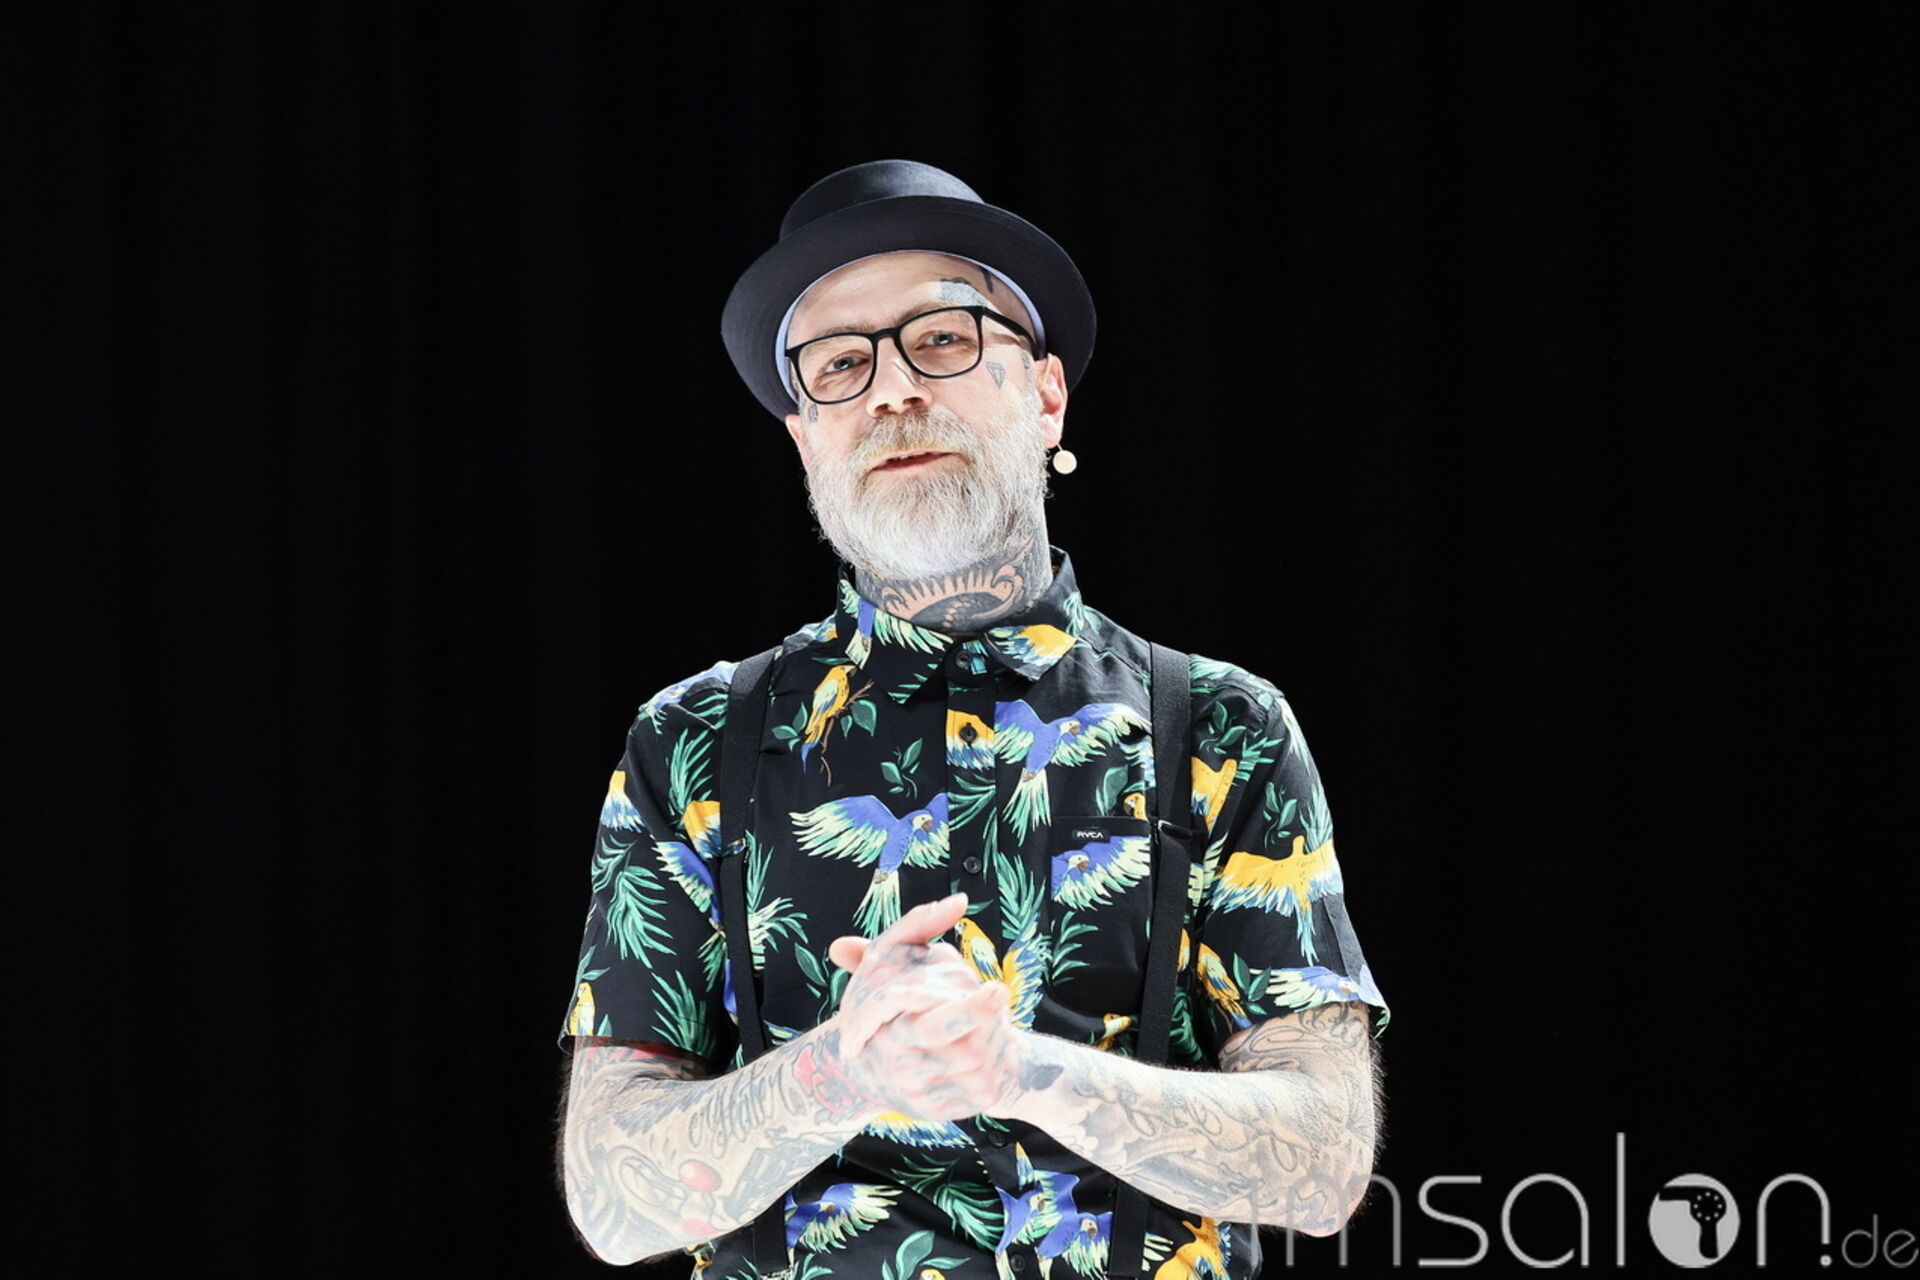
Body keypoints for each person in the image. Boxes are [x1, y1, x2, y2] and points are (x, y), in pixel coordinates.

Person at [557, 159, 1391, 1279]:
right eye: (839, 364)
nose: (893, 390)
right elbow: (613, 1206)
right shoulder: (694, 743)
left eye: (942, 338)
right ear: (805, 438)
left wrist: (1017, 1070)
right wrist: (842, 1071)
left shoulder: (1221, 729)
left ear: (1046, 395)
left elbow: (1324, 1167)